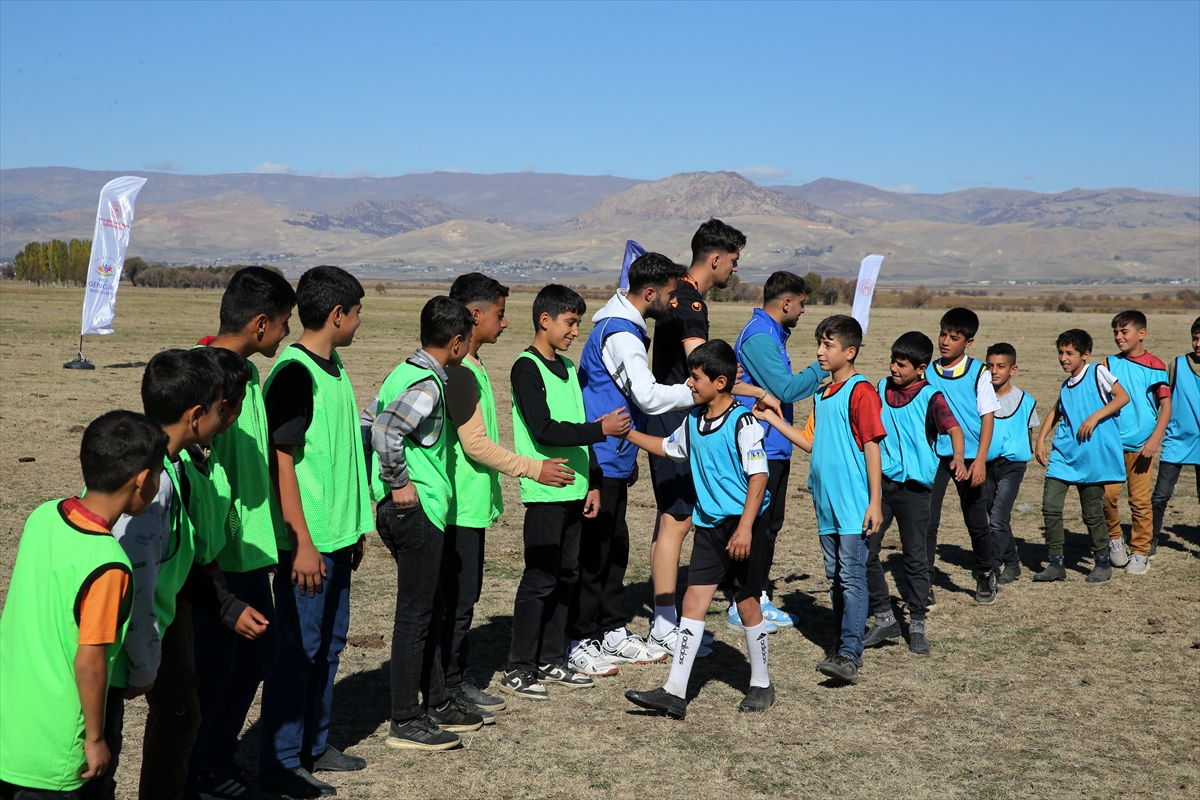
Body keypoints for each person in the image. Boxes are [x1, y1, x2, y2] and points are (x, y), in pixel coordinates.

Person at [104, 350, 268, 800]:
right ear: (196, 415)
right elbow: (136, 581)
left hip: (162, 621)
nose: (225, 418)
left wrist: (226, 607)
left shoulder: (175, 467)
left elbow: (177, 558)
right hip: (117, 641)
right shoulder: (149, 488)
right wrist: (141, 662)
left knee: (180, 721)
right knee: (103, 752)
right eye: (221, 409)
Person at [0, 411, 165, 799]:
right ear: (142, 479)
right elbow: (89, 659)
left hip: (13, 728)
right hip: (59, 749)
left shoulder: (44, 516)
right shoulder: (108, 563)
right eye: (157, 475)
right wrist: (94, 738)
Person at [261, 266, 373, 798]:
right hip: (309, 545)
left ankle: (314, 744)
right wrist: (302, 541)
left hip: (338, 538)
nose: (358, 322)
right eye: (356, 313)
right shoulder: (294, 373)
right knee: (298, 652)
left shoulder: (335, 366)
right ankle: (280, 761)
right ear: (336, 314)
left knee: (328, 647)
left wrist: (356, 527)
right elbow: (282, 463)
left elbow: (341, 456)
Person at [442, 274, 576, 712]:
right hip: (456, 504)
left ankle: (454, 684)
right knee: (456, 605)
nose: (504, 324)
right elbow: (476, 445)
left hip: (475, 503)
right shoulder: (460, 369)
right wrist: (532, 469)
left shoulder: (475, 366)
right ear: (475, 315)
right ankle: (447, 689)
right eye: (499, 315)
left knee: (467, 600)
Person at [188, 266, 299, 799]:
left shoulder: (249, 375)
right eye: (283, 324)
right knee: (213, 672)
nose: (285, 335)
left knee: (255, 657)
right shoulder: (202, 375)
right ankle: (197, 773)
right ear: (260, 324)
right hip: (218, 558)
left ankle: (214, 760)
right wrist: (209, 555)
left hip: (253, 549)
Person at [644, 218, 777, 659]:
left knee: (673, 519)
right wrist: (755, 390)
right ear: (715, 259)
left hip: (668, 417)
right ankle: (666, 624)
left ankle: (669, 619)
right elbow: (700, 370)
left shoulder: (676, 292)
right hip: (676, 421)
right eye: (733, 262)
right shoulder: (691, 304)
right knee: (676, 520)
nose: (734, 271)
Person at [623, 341, 776, 718]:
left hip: (744, 527)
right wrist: (626, 435)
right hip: (708, 526)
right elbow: (669, 448)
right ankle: (674, 692)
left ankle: (761, 684)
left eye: (696, 377)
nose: (689, 384)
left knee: (747, 603)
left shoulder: (744, 423)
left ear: (720, 382)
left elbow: (759, 478)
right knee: (692, 602)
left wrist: (743, 529)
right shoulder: (693, 420)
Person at [363, 296, 482, 751]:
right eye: (467, 342)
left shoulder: (401, 371)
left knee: (426, 610)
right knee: (415, 616)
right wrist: (397, 484)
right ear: (456, 342)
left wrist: (376, 488)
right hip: (419, 511)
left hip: (408, 511)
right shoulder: (429, 384)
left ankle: (435, 702)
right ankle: (405, 718)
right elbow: (385, 429)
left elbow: (366, 420)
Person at [503, 284, 630, 700]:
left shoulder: (570, 369)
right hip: (545, 493)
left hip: (575, 491)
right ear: (545, 320)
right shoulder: (526, 368)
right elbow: (544, 429)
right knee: (540, 580)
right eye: (570, 322)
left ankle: (553, 659)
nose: (575, 330)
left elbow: (576, 432)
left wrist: (593, 481)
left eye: (578, 322)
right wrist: (601, 429)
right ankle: (520, 667)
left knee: (567, 577)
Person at [570, 252, 695, 676]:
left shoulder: (626, 326)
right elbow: (645, 396)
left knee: (614, 546)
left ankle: (609, 628)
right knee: (595, 551)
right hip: (601, 457)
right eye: (670, 295)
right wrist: (694, 394)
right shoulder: (621, 334)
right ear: (649, 293)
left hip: (616, 457)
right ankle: (580, 638)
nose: (673, 303)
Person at [755, 315, 886, 685]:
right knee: (836, 578)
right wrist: (773, 419)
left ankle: (849, 654)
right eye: (819, 343)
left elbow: (873, 447)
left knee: (852, 577)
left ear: (850, 351)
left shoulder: (861, 392)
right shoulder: (823, 393)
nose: (819, 352)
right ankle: (843, 643)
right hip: (826, 504)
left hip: (853, 504)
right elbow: (810, 442)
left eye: (827, 345)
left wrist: (875, 501)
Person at [731, 270, 827, 630]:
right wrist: (822, 369)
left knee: (770, 525)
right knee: (758, 525)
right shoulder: (760, 337)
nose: (803, 310)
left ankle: (757, 595)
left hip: (775, 444)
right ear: (786, 302)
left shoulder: (772, 334)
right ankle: (745, 600)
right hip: (761, 445)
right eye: (802, 303)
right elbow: (785, 389)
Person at [861, 332, 965, 655]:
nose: (893, 368)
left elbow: (954, 429)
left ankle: (917, 623)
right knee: (864, 550)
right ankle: (884, 615)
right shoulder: (880, 388)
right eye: (892, 360)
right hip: (882, 487)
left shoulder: (931, 397)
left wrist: (958, 457)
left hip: (916, 491)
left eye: (901, 364)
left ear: (920, 368)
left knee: (915, 558)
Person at [1033, 329, 1130, 583]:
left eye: (1069, 353)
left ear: (1085, 355)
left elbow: (1123, 397)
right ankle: (1056, 563)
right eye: (1060, 352)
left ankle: (1102, 562)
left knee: (1092, 514)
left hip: (1092, 460)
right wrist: (1041, 440)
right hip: (1064, 456)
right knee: (1050, 506)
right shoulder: (1066, 386)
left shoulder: (1097, 372)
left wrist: (1095, 416)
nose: (1063, 358)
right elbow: (1056, 411)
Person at [924, 308, 1002, 605]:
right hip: (937, 457)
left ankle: (985, 572)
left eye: (953, 337)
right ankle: (924, 579)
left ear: (968, 342)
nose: (944, 341)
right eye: (942, 334)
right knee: (927, 520)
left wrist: (980, 460)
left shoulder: (978, 372)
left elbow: (988, 418)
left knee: (975, 520)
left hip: (971, 459)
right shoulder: (928, 371)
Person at [1103, 311, 1171, 575]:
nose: (1119, 337)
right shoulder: (1107, 364)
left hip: (1142, 447)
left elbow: (1166, 407)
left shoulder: (1155, 366)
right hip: (1110, 445)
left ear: (1141, 333)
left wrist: (1155, 439)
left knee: (1140, 501)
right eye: (1115, 333)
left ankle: (1141, 551)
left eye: (1124, 332)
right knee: (1107, 497)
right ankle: (1114, 539)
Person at [983, 343, 1039, 584]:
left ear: (1012, 369)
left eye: (1000, 366)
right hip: (985, 466)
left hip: (1012, 467)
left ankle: (992, 569)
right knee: (997, 516)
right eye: (990, 366)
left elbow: (1028, 434)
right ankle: (1013, 563)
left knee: (997, 519)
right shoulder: (979, 397)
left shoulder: (1025, 400)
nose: (994, 371)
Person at [1150, 316, 1200, 553]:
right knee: (1160, 495)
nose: (1198, 344)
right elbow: (1161, 399)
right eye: (1195, 338)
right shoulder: (1177, 365)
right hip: (1177, 440)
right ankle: (1149, 541)